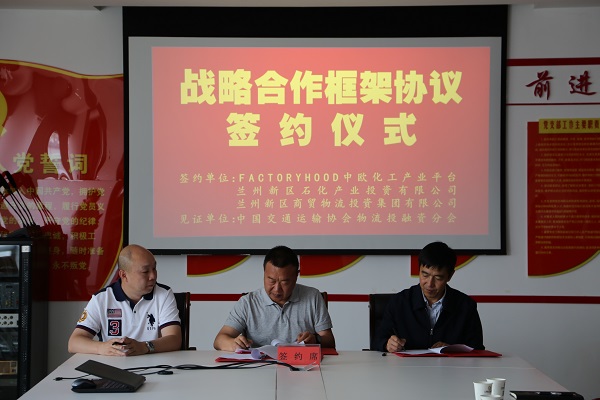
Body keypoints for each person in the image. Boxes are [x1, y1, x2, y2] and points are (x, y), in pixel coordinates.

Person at [213, 245, 335, 351]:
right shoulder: (248, 303)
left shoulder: (312, 297)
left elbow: (329, 341)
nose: (277, 289)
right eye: (271, 280)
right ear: (264, 273)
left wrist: (316, 340)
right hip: (259, 366)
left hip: (301, 365)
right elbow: (219, 340)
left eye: (284, 282)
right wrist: (234, 344)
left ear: (296, 276)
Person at [68, 244, 182, 356]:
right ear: (123, 275)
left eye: (154, 268)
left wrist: (144, 347)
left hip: (153, 364)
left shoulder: (164, 294)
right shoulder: (101, 299)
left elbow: (174, 339)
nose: (153, 276)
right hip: (113, 364)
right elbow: (74, 343)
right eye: (145, 271)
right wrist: (102, 347)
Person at [372, 241, 484, 352]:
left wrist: (452, 349)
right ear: (419, 270)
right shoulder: (399, 302)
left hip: (449, 364)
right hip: (407, 364)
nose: (430, 284)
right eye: (425, 275)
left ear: (450, 276)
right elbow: (377, 340)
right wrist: (387, 344)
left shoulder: (466, 306)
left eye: (438, 278)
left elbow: (477, 348)